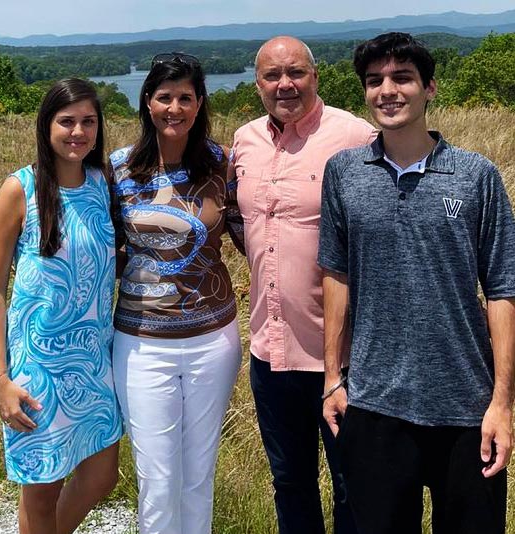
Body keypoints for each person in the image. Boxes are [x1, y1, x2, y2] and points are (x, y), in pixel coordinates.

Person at [319, 32, 515, 534]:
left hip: (466, 407)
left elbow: (502, 290)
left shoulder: (476, 176)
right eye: (374, 81)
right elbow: (336, 276)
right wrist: (332, 380)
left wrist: (502, 404)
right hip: (374, 402)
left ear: (429, 87)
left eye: (402, 78)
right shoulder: (343, 173)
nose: (388, 90)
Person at [229, 36, 376, 534]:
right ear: (257, 84)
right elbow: (235, 220)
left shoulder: (355, 135)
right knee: (289, 482)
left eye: (296, 73)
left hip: (343, 355)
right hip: (271, 352)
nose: (284, 84)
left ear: (316, 76)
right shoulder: (244, 139)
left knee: (353, 484)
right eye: (272, 76)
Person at [109, 52, 244, 534]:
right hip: (142, 343)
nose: (174, 107)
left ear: (199, 102)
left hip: (213, 340)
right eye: (164, 97)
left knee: (197, 473)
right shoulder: (119, 170)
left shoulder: (222, 163)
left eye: (185, 97)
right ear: (147, 102)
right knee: (158, 476)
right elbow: (103, 247)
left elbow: (249, 235)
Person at [0, 78, 123, 534]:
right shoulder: (18, 189)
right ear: (46, 126)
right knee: (41, 491)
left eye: (88, 121)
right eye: (67, 121)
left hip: (93, 365)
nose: (77, 132)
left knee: (102, 477)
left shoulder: (105, 185)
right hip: (37, 370)